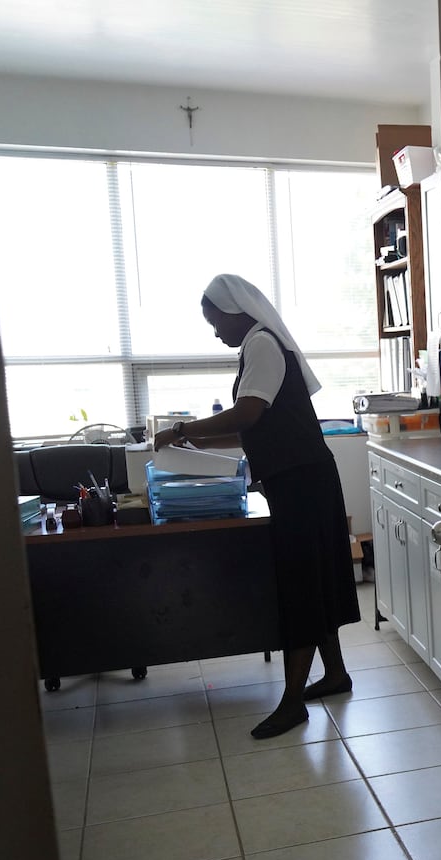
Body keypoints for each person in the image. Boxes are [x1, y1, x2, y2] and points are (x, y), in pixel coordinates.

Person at [154, 274, 361, 739]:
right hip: (301, 477)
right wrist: (194, 438)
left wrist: (185, 430)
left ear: (235, 310)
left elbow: (248, 413)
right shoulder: (258, 347)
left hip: (301, 480)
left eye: (215, 322)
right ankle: (335, 674)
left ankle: (292, 703)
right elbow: (252, 427)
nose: (215, 333)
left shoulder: (262, 344)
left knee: (304, 584)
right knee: (316, 578)